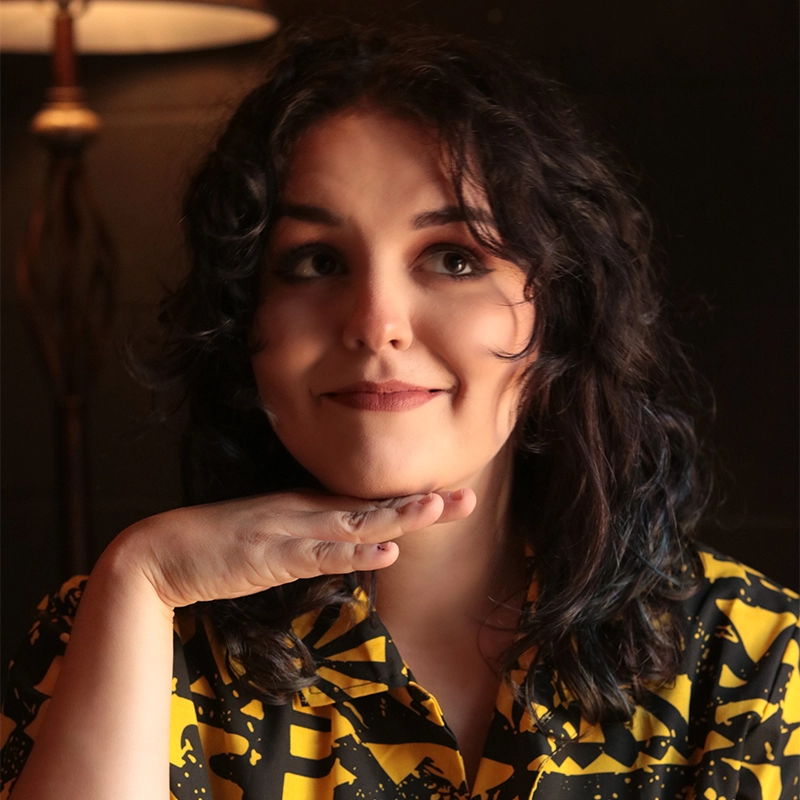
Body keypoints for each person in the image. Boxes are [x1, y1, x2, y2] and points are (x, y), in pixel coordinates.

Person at [2, 22, 798, 800]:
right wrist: (143, 574)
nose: (376, 320)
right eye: (315, 262)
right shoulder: (112, 627)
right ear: (244, 329)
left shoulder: (754, 660)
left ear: (559, 315)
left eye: (455, 258)